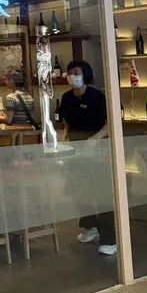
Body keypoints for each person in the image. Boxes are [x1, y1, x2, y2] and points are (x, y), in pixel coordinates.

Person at [59, 60, 116, 257]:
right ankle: (91, 226)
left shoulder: (97, 97)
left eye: (76, 72)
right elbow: (66, 123)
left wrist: (95, 139)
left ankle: (110, 238)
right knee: (79, 191)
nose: (72, 76)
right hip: (76, 150)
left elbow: (110, 122)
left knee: (100, 193)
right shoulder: (66, 98)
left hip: (98, 150)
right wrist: (64, 139)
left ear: (85, 75)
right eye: (69, 72)